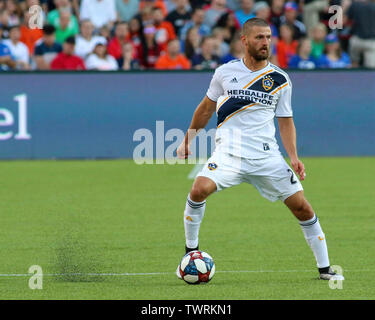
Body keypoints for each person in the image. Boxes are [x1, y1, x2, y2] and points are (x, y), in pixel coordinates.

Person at [175, 17, 343, 281]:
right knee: (198, 189)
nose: (265, 42)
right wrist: (188, 140)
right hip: (228, 154)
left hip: (266, 158)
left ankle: (325, 269)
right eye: (259, 37)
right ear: (244, 40)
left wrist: (294, 157)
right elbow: (206, 108)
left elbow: (286, 122)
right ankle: (191, 252)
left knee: (303, 208)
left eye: (268, 37)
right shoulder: (224, 73)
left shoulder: (280, 79)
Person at [346, 0, 375, 68]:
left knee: (354, 65)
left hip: (356, 40)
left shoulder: (355, 5)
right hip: (371, 42)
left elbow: (345, 20)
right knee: (371, 69)